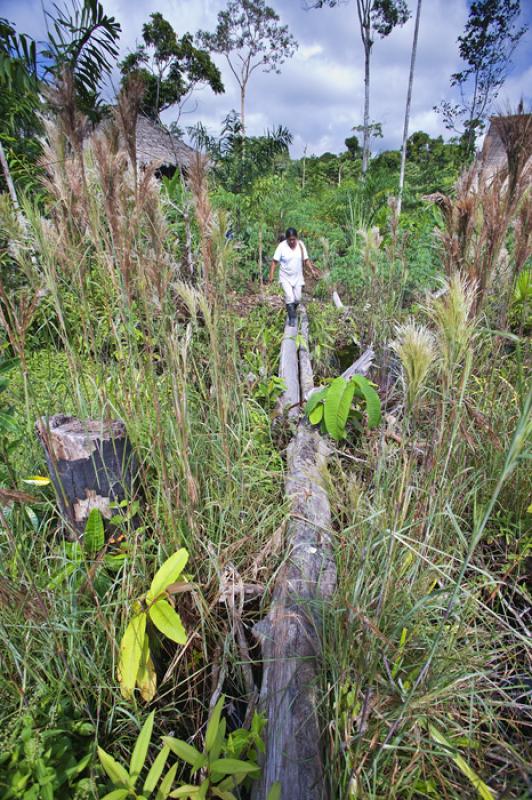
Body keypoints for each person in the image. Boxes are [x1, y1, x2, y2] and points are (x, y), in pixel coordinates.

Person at [268, 227, 318, 326]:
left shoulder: (301, 245)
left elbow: (306, 260)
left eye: (293, 239)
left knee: (298, 298)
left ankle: (291, 310)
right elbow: (274, 262)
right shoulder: (282, 247)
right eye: (289, 240)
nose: (291, 241)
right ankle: (292, 318)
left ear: (297, 238)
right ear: (286, 239)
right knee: (289, 297)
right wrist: (271, 275)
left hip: (298, 277)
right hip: (285, 276)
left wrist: (312, 270)